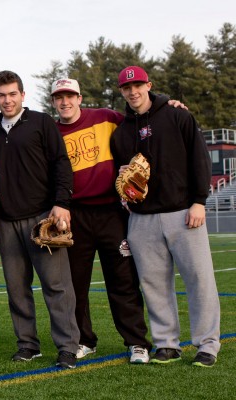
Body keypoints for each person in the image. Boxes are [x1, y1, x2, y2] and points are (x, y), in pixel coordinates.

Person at [111, 66, 220, 367]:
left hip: (183, 212)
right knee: (154, 283)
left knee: (199, 280)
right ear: (121, 91)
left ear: (149, 85)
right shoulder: (121, 132)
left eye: (138, 85)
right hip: (142, 218)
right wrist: (124, 189)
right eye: (126, 88)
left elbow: (200, 157)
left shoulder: (177, 115)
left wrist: (199, 201)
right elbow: (122, 177)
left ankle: (207, 345)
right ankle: (167, 343)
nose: (133, 92)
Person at [50, 78, 152, 363]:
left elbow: (138, 121)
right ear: (53, 101)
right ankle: (84, 340)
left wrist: (167, 103)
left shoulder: (106, 117)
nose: (65, 102)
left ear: (80, 98)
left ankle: (136, 342)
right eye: (59, 97)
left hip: (110, 212)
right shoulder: (51, 131)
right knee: (75, 284)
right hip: (74, 216)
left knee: (123, 280)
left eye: (70, 96)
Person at [0, 70, 80, 369]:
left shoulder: (41, 122)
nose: (7, 100)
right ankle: (28, 344)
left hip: (43, 215)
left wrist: (61, 203)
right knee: (16, 289)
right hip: (6, 220)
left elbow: (61, 163)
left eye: (13, 94)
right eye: (2, 95)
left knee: (56, 285)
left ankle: (67, 346)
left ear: (23, 95)